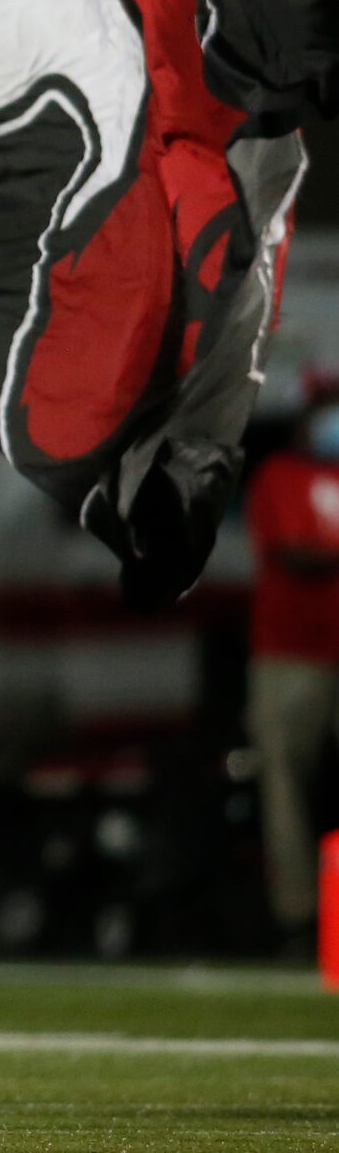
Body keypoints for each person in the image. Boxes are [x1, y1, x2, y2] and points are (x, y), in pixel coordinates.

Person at [240, 390, 339, 956]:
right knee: (284, 781)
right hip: (289, 651)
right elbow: (291, 553)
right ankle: (298, 915)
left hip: (326, 648)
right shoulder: (280, 476)